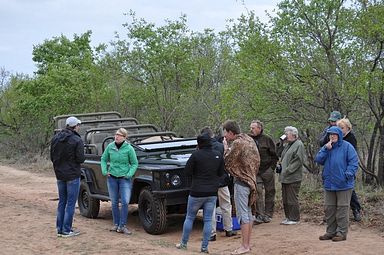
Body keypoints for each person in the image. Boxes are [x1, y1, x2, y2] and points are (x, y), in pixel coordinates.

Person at [176, 133, 224, 254]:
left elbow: (187, 171)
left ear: (199, 143)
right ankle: (204, 248)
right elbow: (221, 173)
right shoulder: (218, 155)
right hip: (212, 192)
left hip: (196, 191)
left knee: (190, 217)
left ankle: (184, 243)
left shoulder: (196, 155)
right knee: (208, 220)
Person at [222, 120, 260, 255]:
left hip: (242, 181)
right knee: (248, 213)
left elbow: (227, 160)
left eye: (225, 133)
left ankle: (244, 246)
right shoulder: (248, 139)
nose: (224, 136)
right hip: (251, 180)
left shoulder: (237, 143)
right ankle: (247, 244)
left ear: (231, 132)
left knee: (243, 214)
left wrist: (226, 148)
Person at [315, 126, 359, 241]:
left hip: (343, 184)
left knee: (342, 209)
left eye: (334, 134)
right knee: (329, 209)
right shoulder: (327, 147)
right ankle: (330, 232)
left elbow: (354, 162)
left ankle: (341, 233)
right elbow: (319, 160)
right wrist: (325, 149)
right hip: (329, 184)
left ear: (339, 135)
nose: (332, 136)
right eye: (330, 134)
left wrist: (348, 174)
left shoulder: (347, 147)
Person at [200, 127, 237, 241]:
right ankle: (229, 229)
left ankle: (211, 233)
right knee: (226, 205)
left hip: (208, 182)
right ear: (212, 135)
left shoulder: (201, 148)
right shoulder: (221, 146)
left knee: (210, 207)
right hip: (222, 180)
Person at [50, 116, 85, 237]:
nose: (79, 127)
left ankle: (59, 228)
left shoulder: (55, 138)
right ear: (75, 126)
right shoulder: (77, 140)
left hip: (60, 174)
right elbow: (81, 159)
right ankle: (66, 229)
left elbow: (52, 157)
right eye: (78, 125)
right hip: (72, 175)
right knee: (70, 203)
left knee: (62, 202)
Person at [101, 128, 138, 235]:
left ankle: (123, 225)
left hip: (124, 179)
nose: (116, 136)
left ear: (124, 137)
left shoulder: (129, 148)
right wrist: (104, 171)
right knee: (114, 202)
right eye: (116, 134)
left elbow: (135, 163)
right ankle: (116, 224)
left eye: (119, 135)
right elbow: (103, 159)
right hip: (112, 177)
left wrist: (129, 174)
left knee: (125, 202)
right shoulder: (110, 146)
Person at [249, 120, 278, 224]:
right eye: (250, 128)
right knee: (257, 193)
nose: (251, 130)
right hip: (255, 171)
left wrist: (271, 169)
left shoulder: (267, 140)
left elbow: (274, 156)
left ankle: (268, 214)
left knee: (270, 192)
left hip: (267, 170)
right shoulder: (249, 140)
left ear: (259, 128)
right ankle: (259, 215)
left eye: (253, 128)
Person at [278, 126, 305, 225]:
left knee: (292, 198)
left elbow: (298, 161)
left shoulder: (299, 145)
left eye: (287, 133)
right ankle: (288, 217)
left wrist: (287, 170)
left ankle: (294, 218)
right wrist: (280, 143)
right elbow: (279, 154)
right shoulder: (288, 145)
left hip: (293, 177)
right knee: (285, 198)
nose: (285, 135)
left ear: (293, 134)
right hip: (285, 177)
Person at [337, 118, 362, 222]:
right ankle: (337, 213)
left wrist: (349, 170)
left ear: (348, 128)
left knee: (349, 190)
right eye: (339, 128)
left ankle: (356, 209)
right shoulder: (336, 138)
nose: (340, 130)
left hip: (348, 168)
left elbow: (352, 156)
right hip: (337, 168)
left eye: (342, 128)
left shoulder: (351, 138)